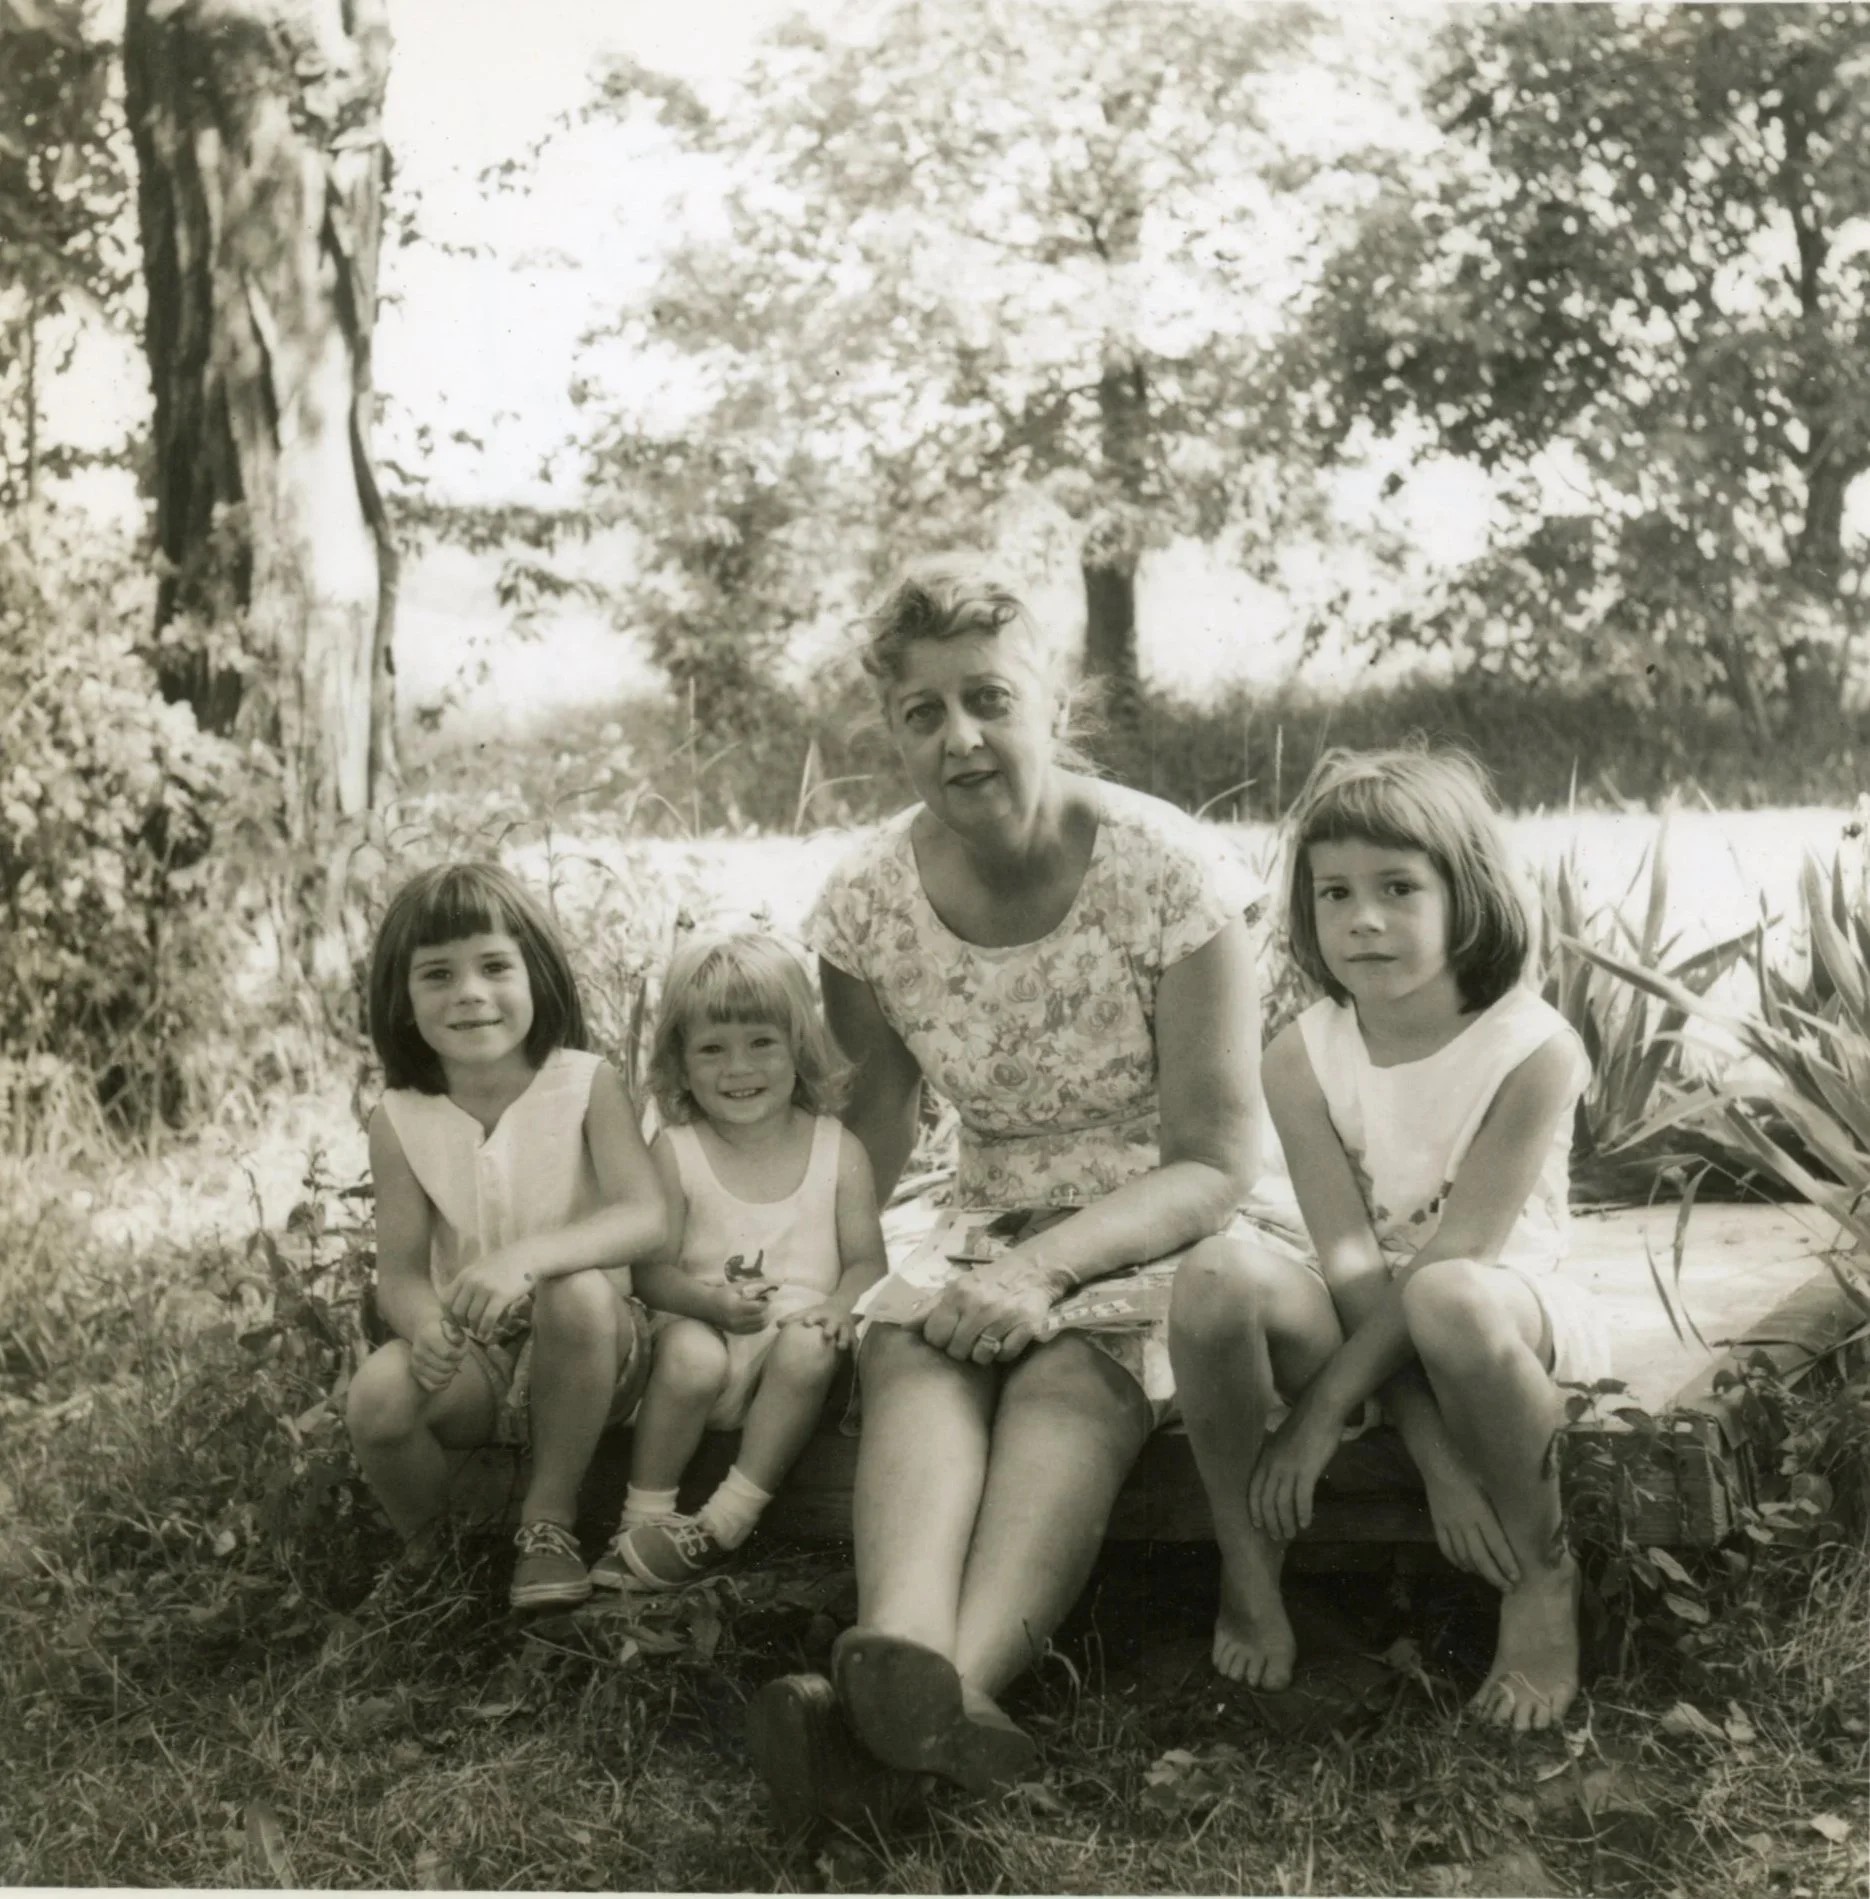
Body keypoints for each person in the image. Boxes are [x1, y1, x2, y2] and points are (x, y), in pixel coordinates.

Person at [745, 564, 1266, 1830]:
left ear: (1053, 700)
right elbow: (870, 1128)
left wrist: (1045, 1274)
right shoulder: (868, 901)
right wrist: (852, 1280)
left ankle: (942, 1695)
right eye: (922, 714)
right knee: (916, 1353)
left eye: (987, 698)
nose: (959, 737)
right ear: (893, 731)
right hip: (981, 1211)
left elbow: (1215, 1158)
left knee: (1061, 1376)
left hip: (1157, 1217)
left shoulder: (1165, 872)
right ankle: (906, 1659)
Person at [1169, 747, 1608, 1731]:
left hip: (1498, 1311)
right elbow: (1354, 1260)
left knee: (1443, 1295)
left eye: (1398, 887)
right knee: (1210, 1277)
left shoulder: (1531, 1049)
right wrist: (1434, 1462)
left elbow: (1449, 1262)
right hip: (1368, 1314)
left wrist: (1322, 1412)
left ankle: (1542, 1578)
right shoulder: (1300, 1056)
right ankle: (1249, 1568)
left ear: (1468, 894)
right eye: (1334, 892)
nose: (1362, 919)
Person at [344, 862, 668, 1612]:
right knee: (378, 1397)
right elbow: (399, 1274)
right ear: (401, 997)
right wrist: (425, 1325)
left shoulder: (586, 1082)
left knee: (577, 1291)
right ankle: (439, 1558)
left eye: (494, 965)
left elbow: (647, 1217)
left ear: (538, 975)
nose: (469, 992)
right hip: (478, 1358)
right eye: (437, 974)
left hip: (600, 1350)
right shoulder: (398, 1119)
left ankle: (546, 1524)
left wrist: (528, 1259)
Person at [590, 931, 889, 1590]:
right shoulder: (677, 1150)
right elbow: (651, 1271)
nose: (738, 1068)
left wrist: (838, 1308)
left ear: (799, 1046)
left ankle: (727, 1518)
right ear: (681, 1060)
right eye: (712, 1049)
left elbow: (868, 1262)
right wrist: (708, 1304)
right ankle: (643, 1516)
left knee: (809, 1344)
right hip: (697, 1347)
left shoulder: (839, 1151)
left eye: (761, 1042)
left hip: (794, 1373)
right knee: (695, 1352)